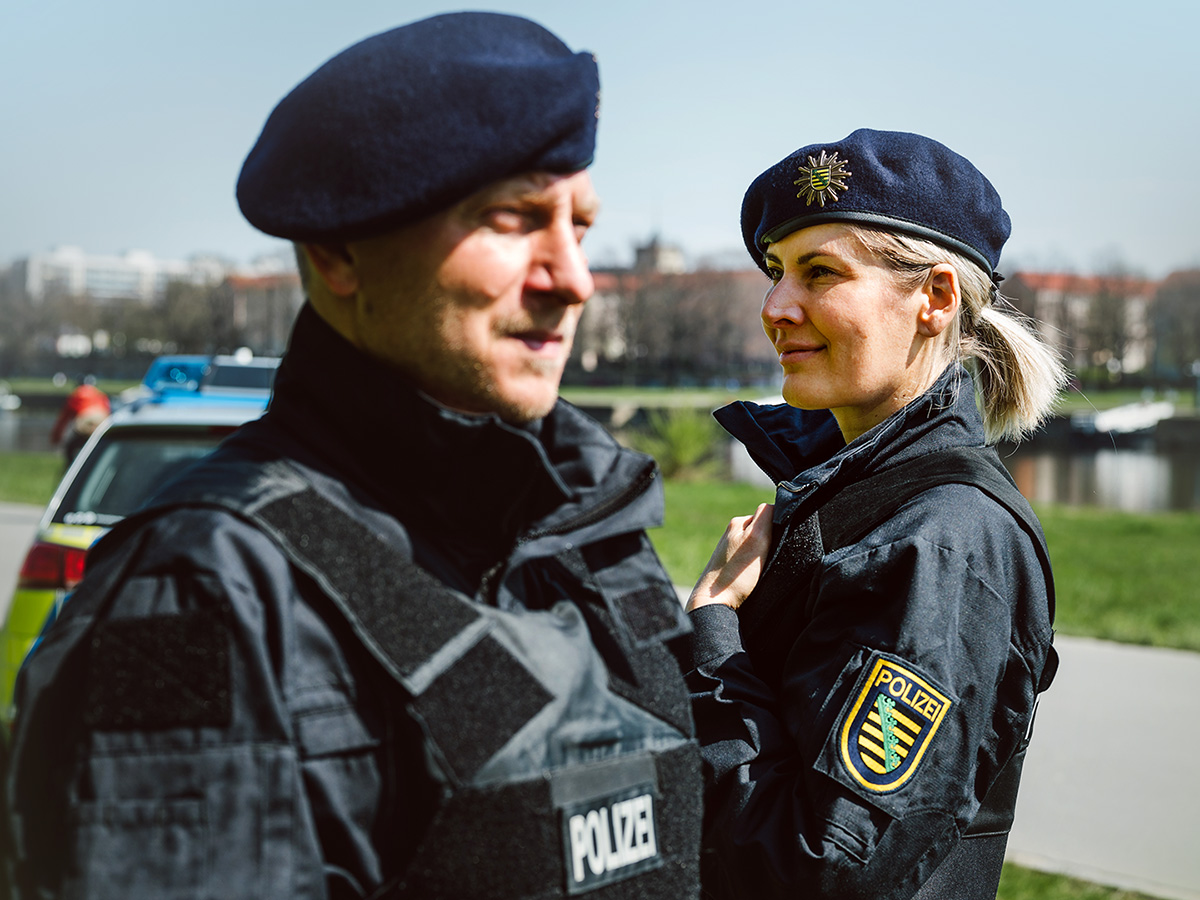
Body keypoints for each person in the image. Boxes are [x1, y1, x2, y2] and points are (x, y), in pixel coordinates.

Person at [4, 14, 704, 899]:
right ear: (338, 254)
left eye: (581, 227)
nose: (573, 277)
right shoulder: (204, 590)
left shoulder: (591, 532)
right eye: (513, 219)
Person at [683, 129, 1066, 899]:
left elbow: (819, 869)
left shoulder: (945, 543)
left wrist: (712, 634)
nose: (775, 307)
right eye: (776, 272)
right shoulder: (861, 500)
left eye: (819, 272)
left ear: (933, 298)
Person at [49, 375, 110, 467]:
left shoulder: (77, 394)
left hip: (86, 418)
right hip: (102, 419)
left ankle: (72, 471)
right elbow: (107, 410)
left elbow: (64, 419)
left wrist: (56, 437)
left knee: (71, 447)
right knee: (96, 446)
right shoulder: (100, 394)